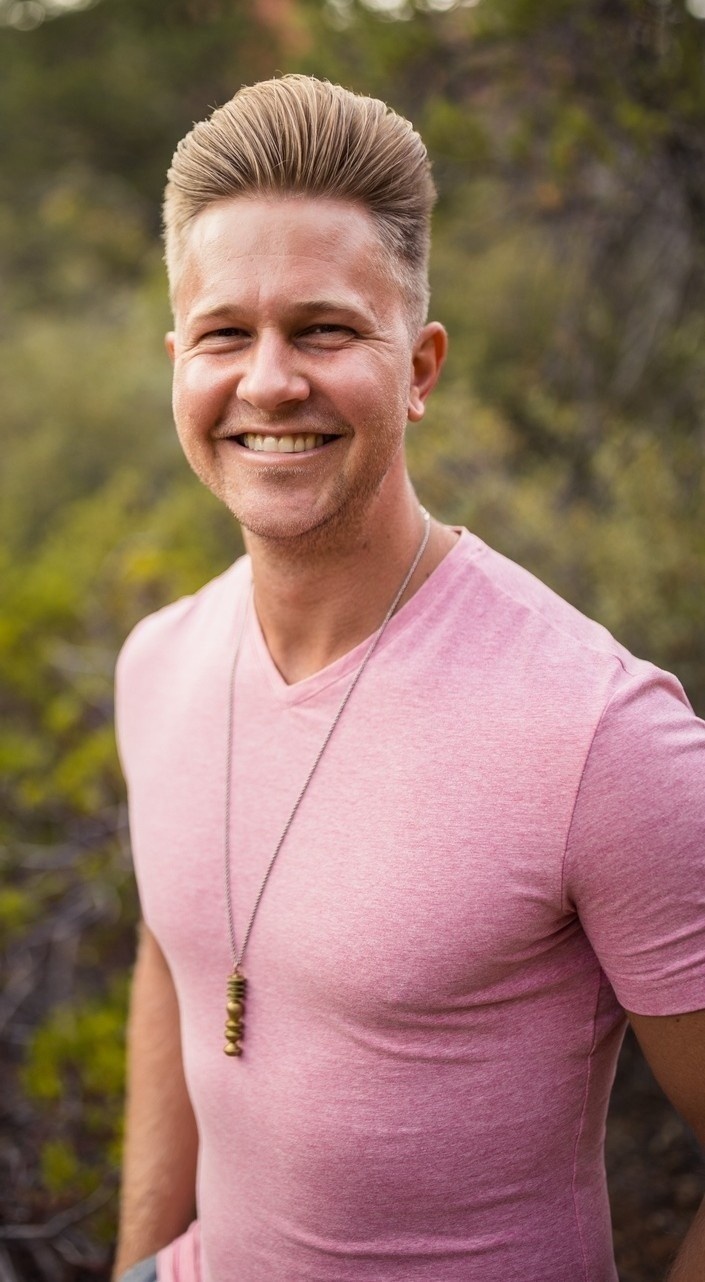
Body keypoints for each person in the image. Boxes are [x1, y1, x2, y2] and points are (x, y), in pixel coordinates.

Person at [113, 75, 705, 1282]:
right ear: (178, 363)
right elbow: (172, 963)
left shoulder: (600, 732)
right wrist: (140, 1262)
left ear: (421, 367)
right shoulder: (156, 662)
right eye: (225, 334)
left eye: (324, 330)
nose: (269, 381)